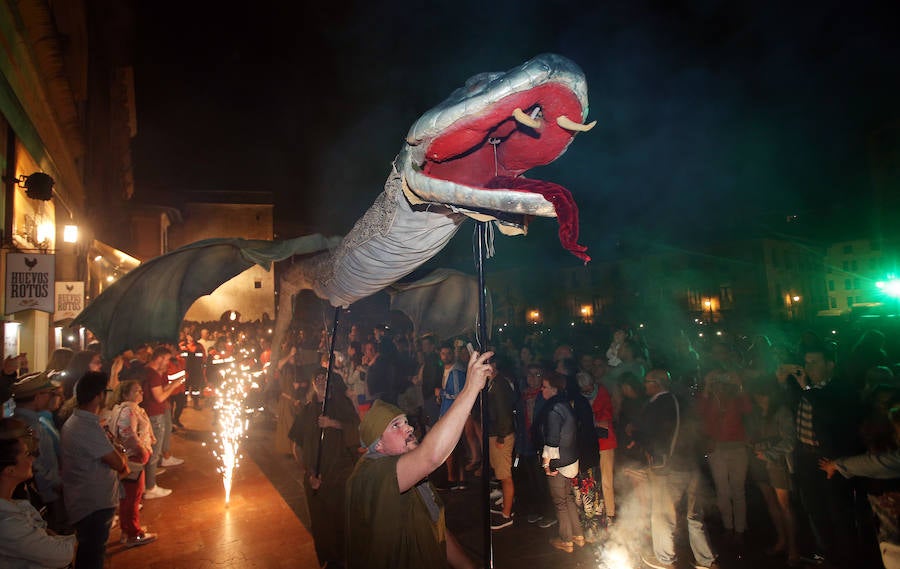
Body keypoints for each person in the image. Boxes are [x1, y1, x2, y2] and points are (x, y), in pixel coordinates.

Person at [344, 349, 493, 569]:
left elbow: (436, 528)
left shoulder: (414, 479)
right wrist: (470, 389)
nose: (409, 427)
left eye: (405, 421)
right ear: (378, 444)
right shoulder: (370, 473)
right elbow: (431, 457)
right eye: (396, 426)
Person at [634, 369, 718, 569]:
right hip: (691, 464)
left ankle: (664, 559)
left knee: (662, 515)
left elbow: (650, 434)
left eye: (647, 381)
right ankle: (706, 561)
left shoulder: (658, 405)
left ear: (657, 383)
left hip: (670, 468)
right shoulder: (683, 401)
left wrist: (635, 435)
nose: (644, 385)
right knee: (694, 516)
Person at [289, 369, 360, 568]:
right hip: (315, 479)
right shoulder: (307, 410)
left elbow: (356, 430)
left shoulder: (341, 404)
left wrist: (333, 423)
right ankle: (329, 560)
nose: (320, 381)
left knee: (341, 518)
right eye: (316, 378)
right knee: (321, 523)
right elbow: (296, 446)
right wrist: (308, 473)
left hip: (340, 474)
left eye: (324, 378)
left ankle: (345, 557)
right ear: (312, 384)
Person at [61, 371, 128, 569]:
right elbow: (119, 463)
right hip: (93, 503)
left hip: (84, 498)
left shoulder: (79, 421)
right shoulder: (86, 427)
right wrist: (120, 450)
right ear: (99, 395)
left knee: (90, 550)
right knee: (93, 554)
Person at [0, 417, 75, 568]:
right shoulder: (8, 522)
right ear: (9, 470)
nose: (33, 458)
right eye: (27, 454)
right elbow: (61, 554)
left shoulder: (15, 504)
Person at [745, 379, 798, 565]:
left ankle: (793, 549)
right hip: (760, 462)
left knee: (784, 506)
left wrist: (769, 452)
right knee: (771, 503)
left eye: (762, 395)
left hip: (777, 463)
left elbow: (790, 441)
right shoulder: (758, 412)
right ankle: (781, 540)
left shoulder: (782, 412)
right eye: (757, 396)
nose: (759, 399)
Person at [10, 372, 66, 532]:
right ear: (37, 396)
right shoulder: (30, 428)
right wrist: (56, 484)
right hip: (46, 496)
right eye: (48, 393)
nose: (51, 397)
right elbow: (37, 466)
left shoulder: (26, 422)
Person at [535, 371, 584, 553]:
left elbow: (552, 440)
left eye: (545, 386)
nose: (542, 389)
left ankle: (566, 540)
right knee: (568, 498)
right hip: (571, 459)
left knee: (561, 503)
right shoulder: (565, 405)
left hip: (559, 462)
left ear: (554, 389)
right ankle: (578, 535)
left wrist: (546, 464)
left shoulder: (554, 408)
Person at [107, 380, 157, 547]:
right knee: (132, 497)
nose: (141, 393)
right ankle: (133, 534)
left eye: (141, 390)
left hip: (131, 457)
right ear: (125, 394)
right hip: (133, 459)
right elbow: (128, 434)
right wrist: (142, 451)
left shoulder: (128, 409)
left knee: (128, 497)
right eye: (136, 391)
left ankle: (127, 529)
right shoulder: (128, 410)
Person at [140, 346, 185, 499]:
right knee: (154, 452)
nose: (167, 363)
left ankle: (148, 482)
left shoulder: (148, 371)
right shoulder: (152, 375)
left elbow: (158, 390)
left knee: (152, 451)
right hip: (154, 414)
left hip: (151, 413)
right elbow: (159, 397)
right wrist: (173, 385)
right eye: (166, 360)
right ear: (159, 358)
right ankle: (150, 487)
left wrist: (172, 384)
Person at [486, 357, 517, 531]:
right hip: (497, 433)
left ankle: (506, 515)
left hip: (501, 435)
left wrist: (501, 436)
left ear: (494, 365)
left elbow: (504, 411)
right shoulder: (494, 383)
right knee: (501, 472)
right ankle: (506, 505)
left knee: (505, 475)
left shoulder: (499, 385)